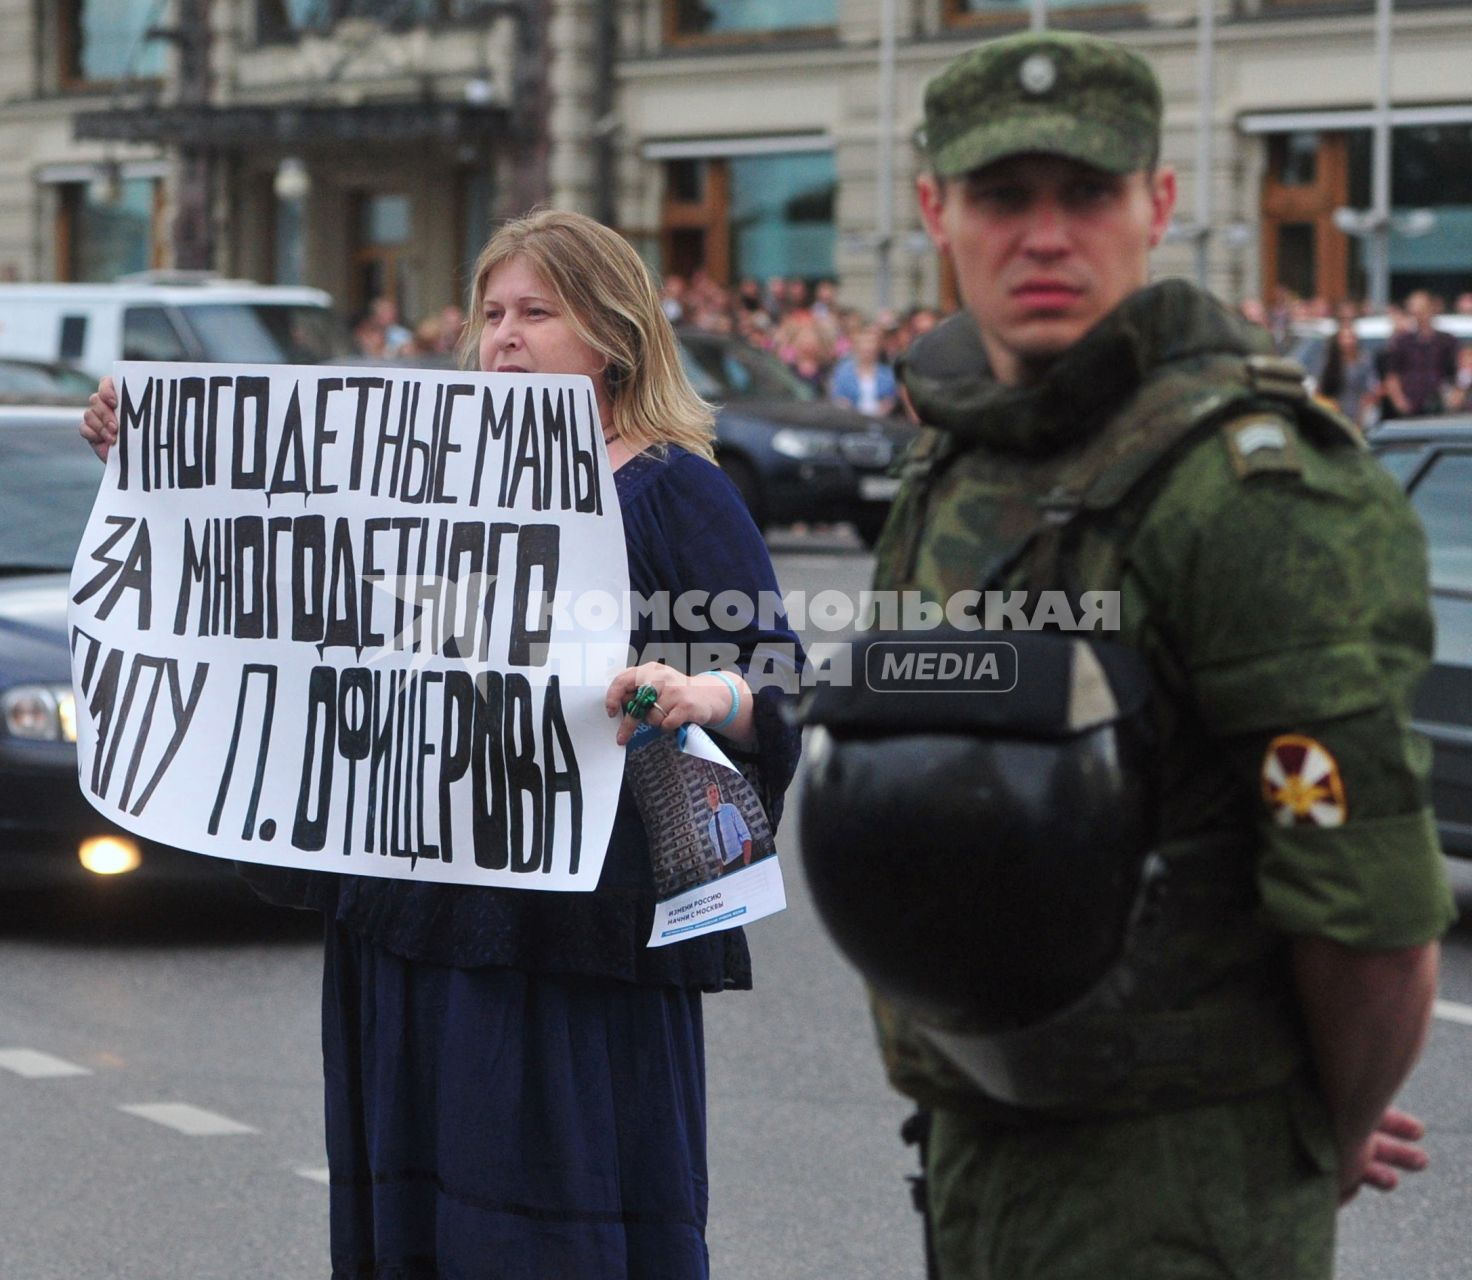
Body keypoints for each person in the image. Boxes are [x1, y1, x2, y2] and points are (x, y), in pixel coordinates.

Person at [80, 209, 803, 1279]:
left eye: (535, 312)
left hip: (567, 936)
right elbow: (272, 584)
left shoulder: (673, 486)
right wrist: (160, 456)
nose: (503, 336)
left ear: (610, 334)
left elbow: (775, 672)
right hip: (410, 911)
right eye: (491, 312)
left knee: (546, 1224)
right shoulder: (411, 480)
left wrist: (699, 690)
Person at [841, 30, 1452, 1279]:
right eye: (1002, 197)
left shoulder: (1248, 491)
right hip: (973, 1149)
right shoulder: (954, 458)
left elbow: (1373, 917)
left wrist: (1309, 1128)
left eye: (1089, 194)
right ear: (933, 210)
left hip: (1172, 1189)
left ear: (1158, 204)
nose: (1045, 235)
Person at [1383, 288, 1458, 417]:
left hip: (1440, 407)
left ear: (1432, 309)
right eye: (1415, 310)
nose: (1419, 314)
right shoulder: (1402, 342)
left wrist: (1454, 398)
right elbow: (1392, 375)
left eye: (1422, 309)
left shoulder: (1447, 341)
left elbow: (1458, 372)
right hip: (1410, 407)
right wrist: (1400, 402)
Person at [1316, 316, 1379, 427]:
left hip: (1358, 415)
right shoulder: (1330, 362)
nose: (1347, 341)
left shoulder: (1363, 361)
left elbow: (1370, 391)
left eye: (1350, 337)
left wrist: (1361, 418)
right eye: (1344, 338)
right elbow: (1320, 391)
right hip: (1334, 415)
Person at [829, 323, 898, 417]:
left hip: (881, 421)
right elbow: (839, 399)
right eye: (863, 342)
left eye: (871, 342)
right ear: (856, 345)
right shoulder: (842, 372)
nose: (867, 347)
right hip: (851, 421)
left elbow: (891, 399)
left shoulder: (887, 373)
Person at [705, 781, 753, 873]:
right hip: (726, 868)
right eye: (710, 792)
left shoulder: (730, 808)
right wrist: (721, 872)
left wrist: (746, 862)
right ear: (707, 799)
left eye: (715, 791)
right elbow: (718, 852)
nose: (713, 794)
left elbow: (746, 835)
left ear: (718, 793)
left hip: (740, 860)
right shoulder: (710, 825)